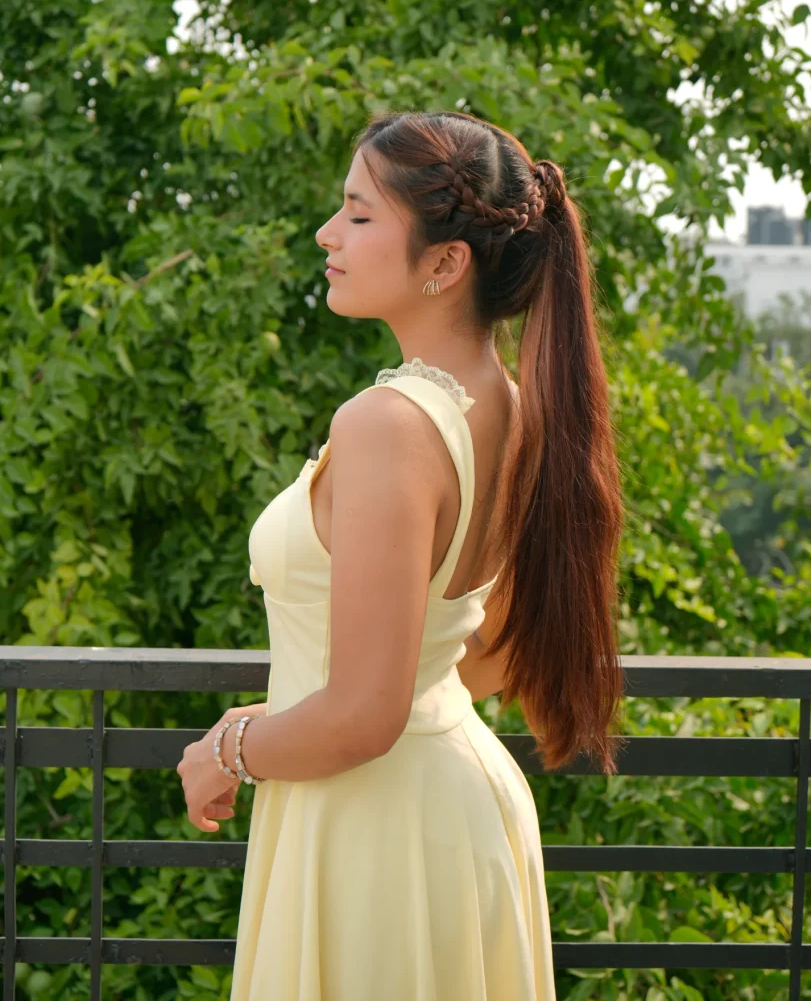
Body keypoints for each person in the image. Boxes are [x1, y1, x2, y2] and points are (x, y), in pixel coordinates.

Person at [177, 109, 625, 1000]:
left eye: (358, 213)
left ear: (444, 263)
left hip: (377, 830)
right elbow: (474, 657)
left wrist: (227, 749)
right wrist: (290, 711)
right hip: (442, 806)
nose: (327, 233)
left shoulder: (389, 424)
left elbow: (364, 718)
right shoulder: (508, 406)